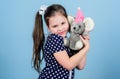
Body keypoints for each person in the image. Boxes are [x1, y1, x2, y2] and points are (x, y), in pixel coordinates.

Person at [32, 4, 90, 79]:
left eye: (63, 23)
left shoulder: (67, 41)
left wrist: (83, 45)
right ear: (48, 28)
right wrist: (86, 48)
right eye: (55, 26)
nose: (60, 28)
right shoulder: (54, 39)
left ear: (68, 21)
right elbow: (69, 65)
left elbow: (80, 66)